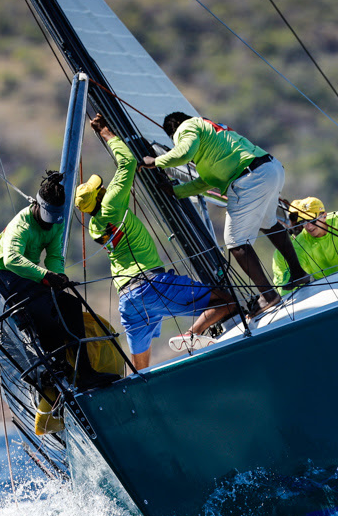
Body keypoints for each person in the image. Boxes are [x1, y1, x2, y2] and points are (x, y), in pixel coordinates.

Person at [79, 114, 239, 367]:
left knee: (140, 364)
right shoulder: (110, 206)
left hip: (127, 297)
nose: (103, 188)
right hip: (150, 285)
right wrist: (105, 132)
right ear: (99, 197)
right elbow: (127, 162)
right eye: (100, 189)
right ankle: (192, 334)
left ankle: (141, 384)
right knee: (228, 300)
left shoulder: (93, 225)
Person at [141, 112, 310, 311]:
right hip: (270, 168)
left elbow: (183, 153)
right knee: (268, 223)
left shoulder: (186, 127)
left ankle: (268, 295)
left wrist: (155, 161)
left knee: (235, 241)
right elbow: (206, 182)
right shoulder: (211, 132)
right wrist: (175, 192)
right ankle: (298, 273)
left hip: (249, 178)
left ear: (174, 131)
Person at [0, 170, 116, 389]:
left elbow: (54, 256)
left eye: (55, 219)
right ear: (38, 206)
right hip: (4, 273)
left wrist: (58, 276)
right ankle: (56, 368)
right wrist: (45, 275)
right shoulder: (21, 225)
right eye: (47, 217)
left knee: (70, 305)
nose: (50, 224)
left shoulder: (56, 222)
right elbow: (11, 259)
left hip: (29, 272)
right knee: (43, 309)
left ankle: (85, 373)